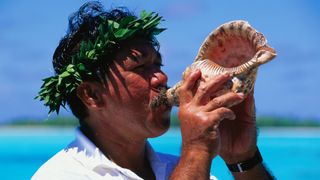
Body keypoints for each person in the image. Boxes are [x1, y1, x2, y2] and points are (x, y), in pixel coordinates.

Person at [33, 1, 274, 180]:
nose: (162, 77)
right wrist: (197, 148)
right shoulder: (62, 174)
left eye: (158, 64)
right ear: (92, 95)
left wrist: (243, 159)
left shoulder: (179, 168)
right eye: (140, 67)